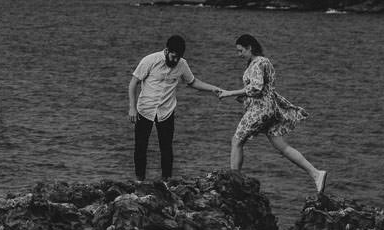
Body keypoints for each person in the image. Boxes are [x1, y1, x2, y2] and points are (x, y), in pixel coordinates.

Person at [217, 33, 328, 195]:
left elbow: (256, 88)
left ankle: (235, 182)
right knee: (282, 147)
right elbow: (264, 89)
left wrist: (230, 93)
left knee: (236, 141)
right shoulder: (264, 61)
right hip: (270, 109)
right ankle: (316, 174)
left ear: (250, 48)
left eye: (241, 51)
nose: (239, 55)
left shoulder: (257, 63)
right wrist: (243, 96)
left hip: (260, 110)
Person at [128, 34, 224, 181]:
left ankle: (166, 181)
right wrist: (132, 108)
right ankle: (139, 180)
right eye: (173, 56)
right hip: (145, 109)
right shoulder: (150, 60)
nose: (175, 60)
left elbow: (193, 82)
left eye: (178, 57)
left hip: (166, 111)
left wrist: (213, 88)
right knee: (140, 146)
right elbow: (133, 83)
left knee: (166, 148)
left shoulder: (182, 64)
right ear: (167, 51)